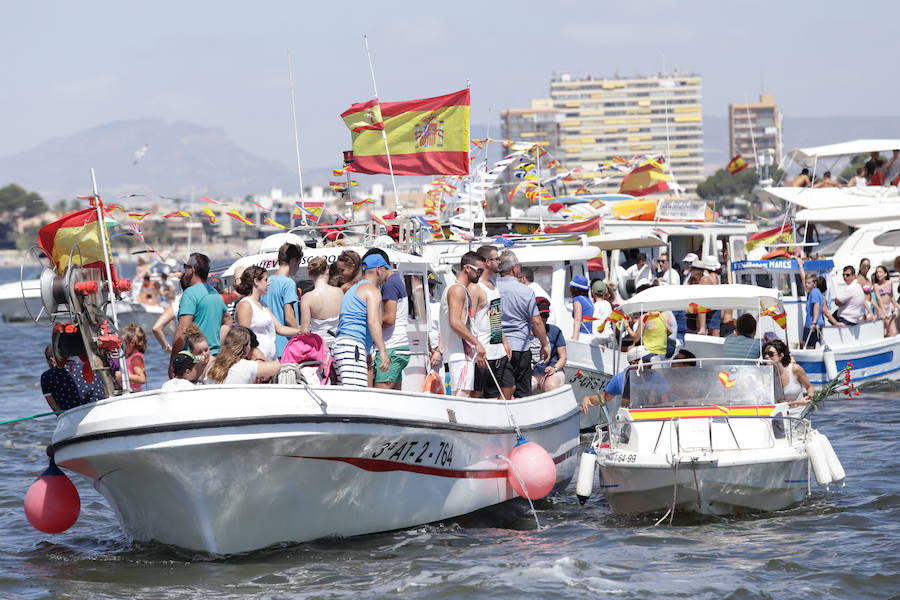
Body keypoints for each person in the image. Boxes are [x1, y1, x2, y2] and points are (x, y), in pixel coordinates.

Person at [333, 253, 391, 387]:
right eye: (385, 270)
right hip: (352, 346)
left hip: (341, 345)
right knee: (356, 395)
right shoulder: (372, 290)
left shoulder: (352, 289)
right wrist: (382, 351)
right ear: (378, 269)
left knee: (347, 393)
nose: (386, 274)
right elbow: (373, 321)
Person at [170, 252, 232, 377]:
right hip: (214, 358)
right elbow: (228, 322)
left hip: (193, 363)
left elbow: (182, 330)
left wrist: (173, 363)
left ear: (192, 270)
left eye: (185, 267)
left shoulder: (190, 294)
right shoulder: (214, 293)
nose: (184, 271)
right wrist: (215, 342)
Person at [497, 250, 549, 397]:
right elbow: (536, 321)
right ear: (514, 268)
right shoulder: (525, 291)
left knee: (498, 391)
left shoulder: (492, 289)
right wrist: (544, 344)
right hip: (519, 347)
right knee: (522, 394)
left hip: (497, 347)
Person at [440, 251, 487, 396]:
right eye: (479, 270)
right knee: (462, 394)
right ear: (467, 268)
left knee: (460, 393)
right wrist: (477, 343)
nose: (481, 274)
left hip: (461, 352)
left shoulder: (460, 289)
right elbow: (454, 322)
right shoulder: (457, 289)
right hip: (460, 352)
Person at [363, 249, 410, 390]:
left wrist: (369, 323)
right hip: (398, 347)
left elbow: (389, 319)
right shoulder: (395, 280)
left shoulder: (390, 284)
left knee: (380, 396)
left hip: (392, 347)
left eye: (371, 273)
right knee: (395, 397)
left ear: (379, 269)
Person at [470, 245, 512, 398]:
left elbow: (495, 317)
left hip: (497, 348)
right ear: (487, 262)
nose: (500, 262)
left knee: (509, 387)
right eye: (497, 259)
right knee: (476, 393)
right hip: (483, 349)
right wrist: (477, 346)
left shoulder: (493, 284)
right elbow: (470, 320)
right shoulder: (476, 287)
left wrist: (504, 341)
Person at [235, 266, 302, 361]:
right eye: (265, 280)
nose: (268, 283)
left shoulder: (263, 304)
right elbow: (245, 338)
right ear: (256, 281)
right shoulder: (245, 304)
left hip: (271, 360)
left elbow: (279, 328)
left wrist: (301, 331)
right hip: (257, 362)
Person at [581, 345, 667, 411]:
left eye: (649, 360)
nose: (651, 364)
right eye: (646, 361)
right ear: (634, 363)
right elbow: (604, 398)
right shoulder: (620, 378)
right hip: (630, 419)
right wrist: (588, 398)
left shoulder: (657, 377)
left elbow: (666, 402)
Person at [261, 242, 302, 359]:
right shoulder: (288, 283)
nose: (298, 266)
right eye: (299, 262)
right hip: (286, 346)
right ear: (293, 260)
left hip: (270, 346)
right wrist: (301, 335)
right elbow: (289, 318)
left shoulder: (267, 282)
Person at [206, 326, 284, 384]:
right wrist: (259, 359)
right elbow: (278, 366)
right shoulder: (246, 367)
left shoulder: (213, 366)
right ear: (245, 347)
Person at [41, 345, 106, 411]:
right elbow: (104, 394)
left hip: (71, 416)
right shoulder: (91, 369)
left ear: (53, 360)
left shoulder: (46, 376)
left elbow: (57, 411)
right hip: (100, 409)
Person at [300, 256, 342, 347]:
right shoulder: (339, 292)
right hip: (339, 342)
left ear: (310, 275)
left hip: (319, 346)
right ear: (327, 271)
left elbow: (305, 331)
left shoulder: (307, 298)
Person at [531, 297, 567, 392]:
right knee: (526, 386)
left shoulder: (555, 331)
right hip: (531, 373)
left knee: (551, 385)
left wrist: (554, 368)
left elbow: (563, 357)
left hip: (552, 371)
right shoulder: (524, 332)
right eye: (541, 315)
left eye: (546, 315)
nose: (544, 319)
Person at [763, 339, 813, 405]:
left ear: (781, 355)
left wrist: (810, 396)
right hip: (778, 413)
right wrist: (798, 402)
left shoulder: (795, 369)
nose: (766, 356)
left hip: (798, 413)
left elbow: (809, 387)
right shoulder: (767, 376)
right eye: (765, 354)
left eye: (770, 354)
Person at [872, 265, 900, 336]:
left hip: (888, 308)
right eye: (877, 272)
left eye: (880, 272)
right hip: (881, 310)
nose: (878, 274)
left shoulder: (890, 283)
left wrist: (897, 308)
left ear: (885, 274)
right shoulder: (876, 286)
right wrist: (884, 312)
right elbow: (879, 299)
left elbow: (892, 297)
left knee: (893, 332)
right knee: (885, 332)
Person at [119, 323, 147, 392]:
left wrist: (122, 376)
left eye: (122, 344)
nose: (120, 347)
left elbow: (142, 379)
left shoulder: (135, 358)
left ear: (132, 343)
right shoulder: (128, 357)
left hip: (135, 395)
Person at [803, 273, 826, 347]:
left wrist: (814, 322)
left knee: (809, 346)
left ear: (814, 283)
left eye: (809, 283)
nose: (806, 285)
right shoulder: (818, 292)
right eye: (806, 282)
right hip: (818, 323)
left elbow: (816, 305)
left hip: (812, 324)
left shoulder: (814, 292)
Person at [570, 275, 594, 341]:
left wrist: (574, 339)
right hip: (592, 334)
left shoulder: (577, 300)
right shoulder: (588, 300)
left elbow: (578, 319)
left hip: (584, 335)